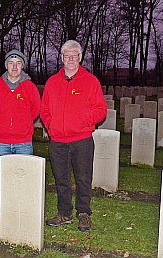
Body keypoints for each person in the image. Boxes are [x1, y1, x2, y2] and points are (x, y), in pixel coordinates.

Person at [40, 40, 107, 232]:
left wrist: (84, 120)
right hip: (58, 140)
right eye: (66, 56)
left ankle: (84, 213)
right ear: (62, 58)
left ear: (80, 58)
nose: (70, 59)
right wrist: (51, 125)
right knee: (61, 178)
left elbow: (101, 110)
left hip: (81, 140)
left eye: (74, 56)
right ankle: (64, 213)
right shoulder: (52, 82)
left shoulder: (90, 81)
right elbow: (44, 109)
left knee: (83, 178)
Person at [0, 50, 41, 222]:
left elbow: (35, 110)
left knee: (23, 179)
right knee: (2, 180)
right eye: (11, 62)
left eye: (18, 63)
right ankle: (3, 211)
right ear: (6, 65)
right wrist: (1, 125)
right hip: (0, 142)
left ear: (22, 66)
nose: (14, 66)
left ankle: (22, 210)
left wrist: (20, 125)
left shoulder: (29, 87)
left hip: (23, 141)